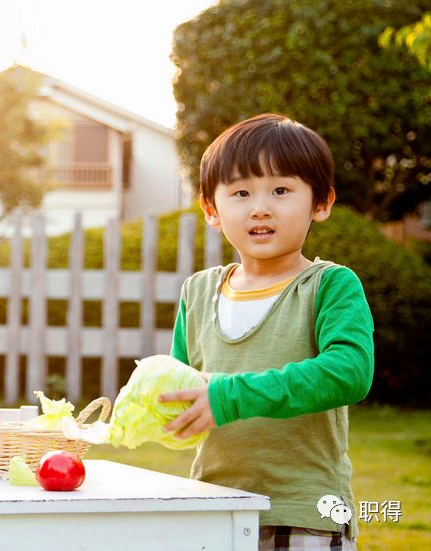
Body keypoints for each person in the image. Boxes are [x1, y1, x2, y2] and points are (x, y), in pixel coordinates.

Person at [158, 113, 374, 551]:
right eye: (240, 192)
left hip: (303, 513)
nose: (260, 207)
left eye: (281, 190)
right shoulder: (197, 292)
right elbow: (180, 385)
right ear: (211, 209)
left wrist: (230, 396)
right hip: (213, 506)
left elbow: (350, 371)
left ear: (321, 202)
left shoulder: (330, 285)